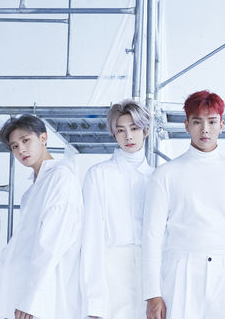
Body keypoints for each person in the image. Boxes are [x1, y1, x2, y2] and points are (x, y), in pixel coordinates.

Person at [142, 90, 225, 319]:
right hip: (180, 272)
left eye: (212, 122)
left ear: (221, 125)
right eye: (197, 122)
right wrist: (152, 293)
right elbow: (152, 236)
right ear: (186, 125)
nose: (205, 129)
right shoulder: (165, 174)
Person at [0, 114, 83, 319]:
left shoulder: (61, 179)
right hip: (25, 293)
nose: (21, 150)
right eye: (14, 146)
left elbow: (51, 244)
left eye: (26, 140)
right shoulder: (33, 189)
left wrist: (30, 299)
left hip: (42, 298)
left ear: (43, 138)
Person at [80, 99, 153, 319]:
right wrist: (94, 302)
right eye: (121, 130)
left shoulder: (158, 177)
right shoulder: (99, 175)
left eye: (134, 128)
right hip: (110, 274)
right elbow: (91, 237)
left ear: (146, 130)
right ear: (114, 134)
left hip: (151, 274)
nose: (128, 136)